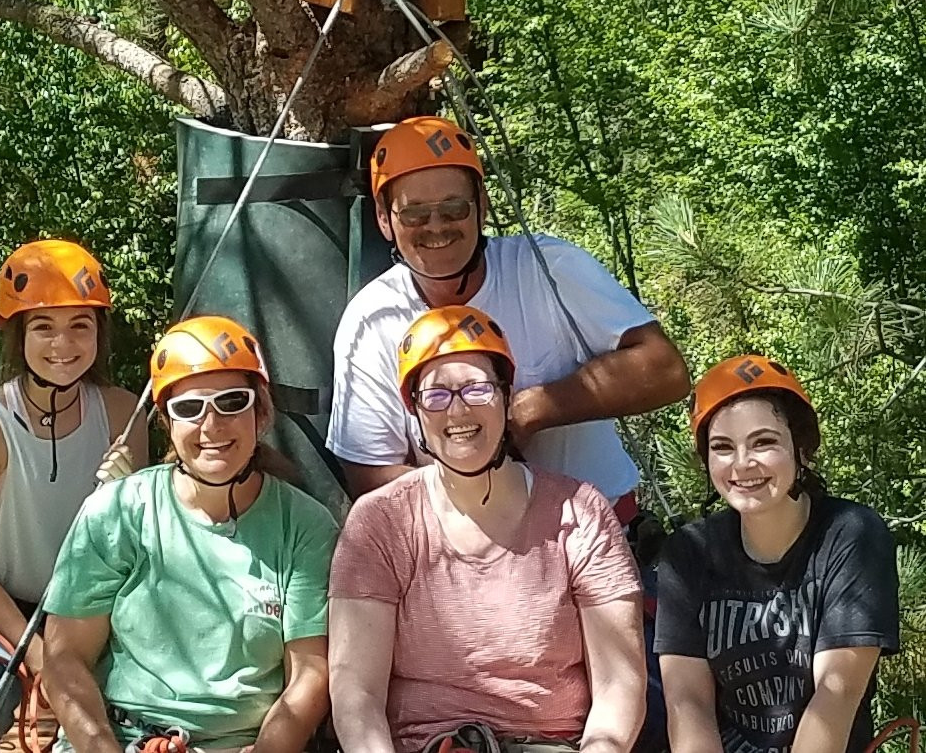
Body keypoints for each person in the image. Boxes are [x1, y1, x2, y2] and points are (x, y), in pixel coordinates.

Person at [327, 115, 690, 521]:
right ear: (384, 219)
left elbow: (665, 369)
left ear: (481, 205)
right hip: (463, 552)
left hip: (600, 525)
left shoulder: (546, 266)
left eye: (454, 208)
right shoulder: (372, 318)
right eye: (414, 214)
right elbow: (369, 472)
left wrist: (533, 410)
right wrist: (474, 496)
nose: (436, 227)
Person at [329, 306, 646, 753]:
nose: (458, 410)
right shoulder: (382, 522)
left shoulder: (580, 512)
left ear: (505, 394)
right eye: (436, 395)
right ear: (415, 409)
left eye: (477, 389)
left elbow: (619, 682)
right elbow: (356, 694)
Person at [42, 315, 338, 753]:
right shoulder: (118, 512)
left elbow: (309, 674)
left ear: (261, 412)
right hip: (120, 738)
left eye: (232, 401)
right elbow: (65, 658)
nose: (212, 425)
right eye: (189, 408)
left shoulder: (305, 527)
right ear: (166, 421)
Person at [0, 239, 147, 744]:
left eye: (80, 327)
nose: (62, 346)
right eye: (43, 328)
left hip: (86, 614)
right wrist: (43, 658)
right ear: (18, 336)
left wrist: (128, 495)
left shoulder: (121, 414)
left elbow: (140, 548)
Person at [655, 355, 900, 753]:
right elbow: (688, 703)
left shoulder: (852, 536)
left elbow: (834, 697)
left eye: (763, 442)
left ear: (801, 448)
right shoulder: (688, 553)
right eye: (722, 447)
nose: (742, 463)